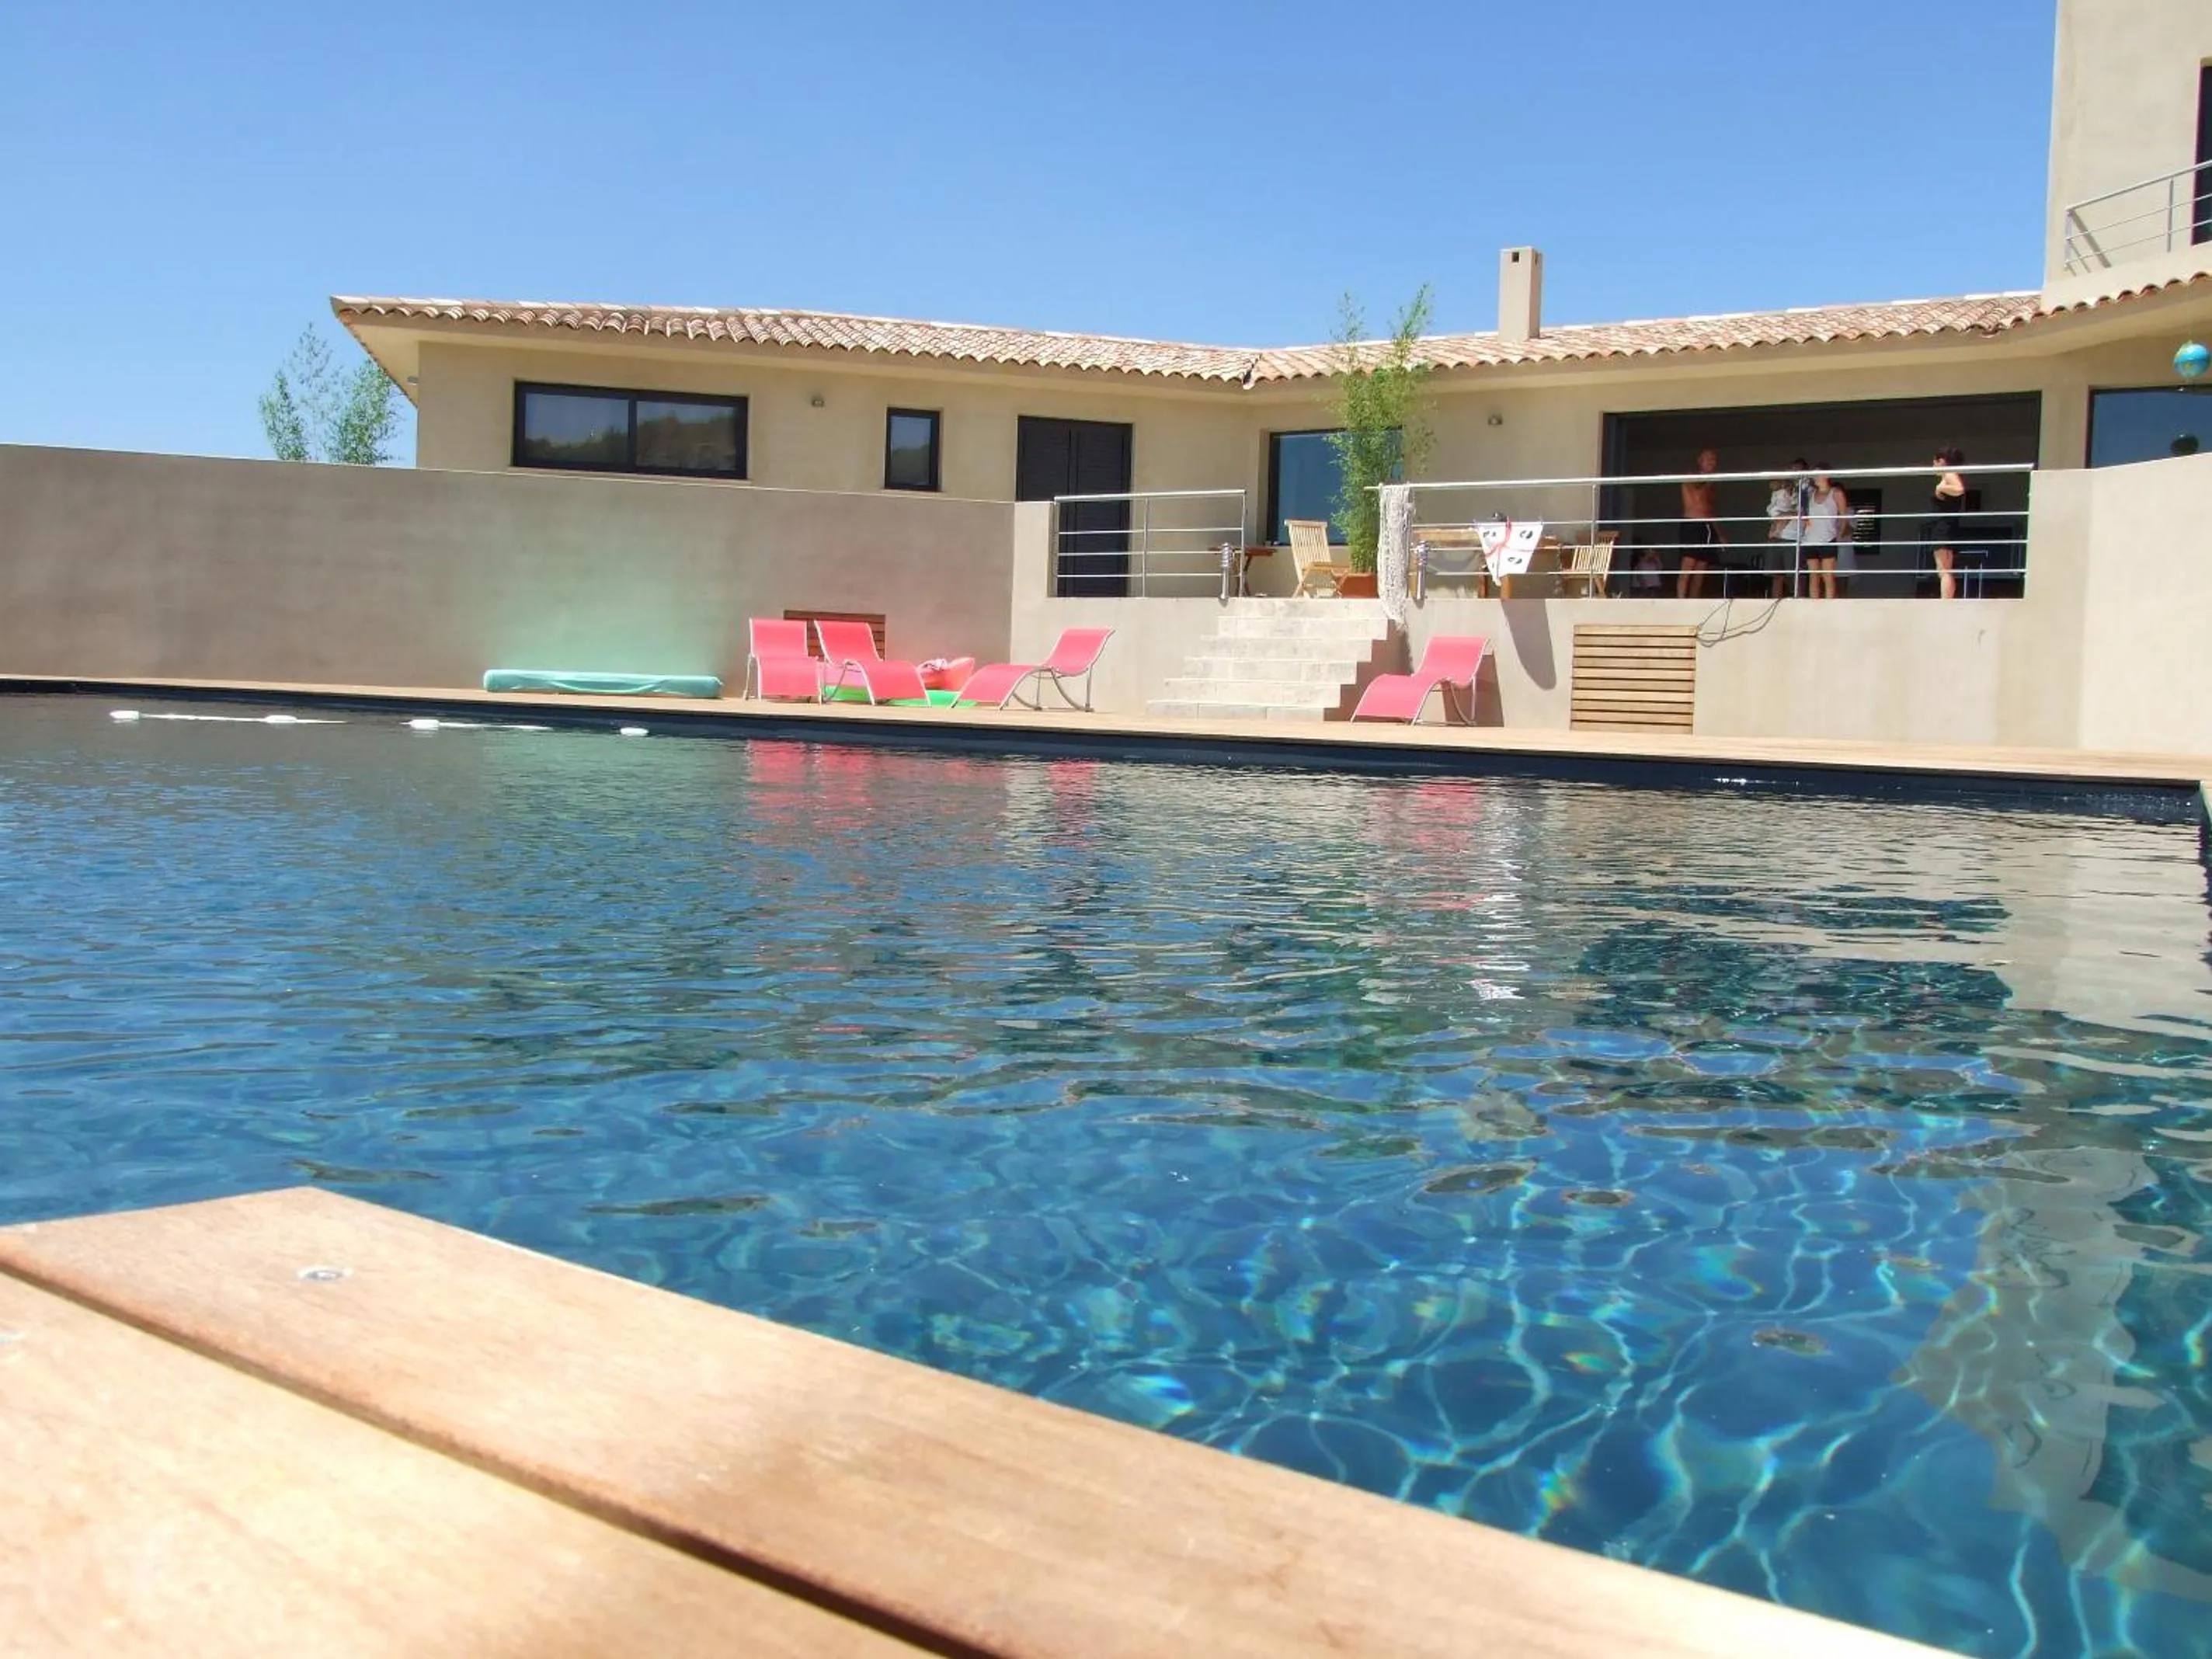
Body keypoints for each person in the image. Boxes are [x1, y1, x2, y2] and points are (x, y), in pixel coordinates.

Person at [1678, 448, 1723, 597]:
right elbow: (1697, 492)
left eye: (1714, 460)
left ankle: (1694, 602)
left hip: (1707, 527)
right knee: (1688, 566)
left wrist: (1720, 534)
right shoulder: (1691, 477)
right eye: (1708, 459)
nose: (1712, 462)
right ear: (1700, 461)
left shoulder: (1712, 484)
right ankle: (1680, 602)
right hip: (1692, 524)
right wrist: (1707, 479)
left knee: (1701, 569)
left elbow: (1710, 510)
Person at [1801, 467, 1849, 600]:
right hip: (1810, 539)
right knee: (1814, 576)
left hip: (1828, 538)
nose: (1815, 477)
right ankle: (1814, 606)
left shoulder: (1836, 493)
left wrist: (1839, 535)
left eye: (1818, 474)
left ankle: (1829, 607)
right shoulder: (1810, 494)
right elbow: (1805, 515)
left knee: (1828, 576)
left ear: (1827, 475)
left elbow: (1844, 516)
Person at [1765, 458, 1810, 598]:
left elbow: (1803, 511)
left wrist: (1787, 514)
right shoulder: (1778, 492)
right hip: (1776, 537)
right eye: (1792, 470)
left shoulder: (1806, 490)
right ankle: (1775, 603)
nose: (1794, 473)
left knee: (1796, 575)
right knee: (1777, 575)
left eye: (1798, 470)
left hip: (1794, 537)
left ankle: (1799, 602)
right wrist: (1789, 513)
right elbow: (1772, 512)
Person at [1928, 447, 1967, 600]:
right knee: (1945, 569)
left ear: (1943, 461)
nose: (1933, 465)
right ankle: (1947, 600)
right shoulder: (1949, 476)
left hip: (1944, 527)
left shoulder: (1949, 475)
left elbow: (1959, 489)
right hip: (1948, 525)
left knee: (1943, 569)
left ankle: (1946, 602)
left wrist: (1941, 487)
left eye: (1935, 461)